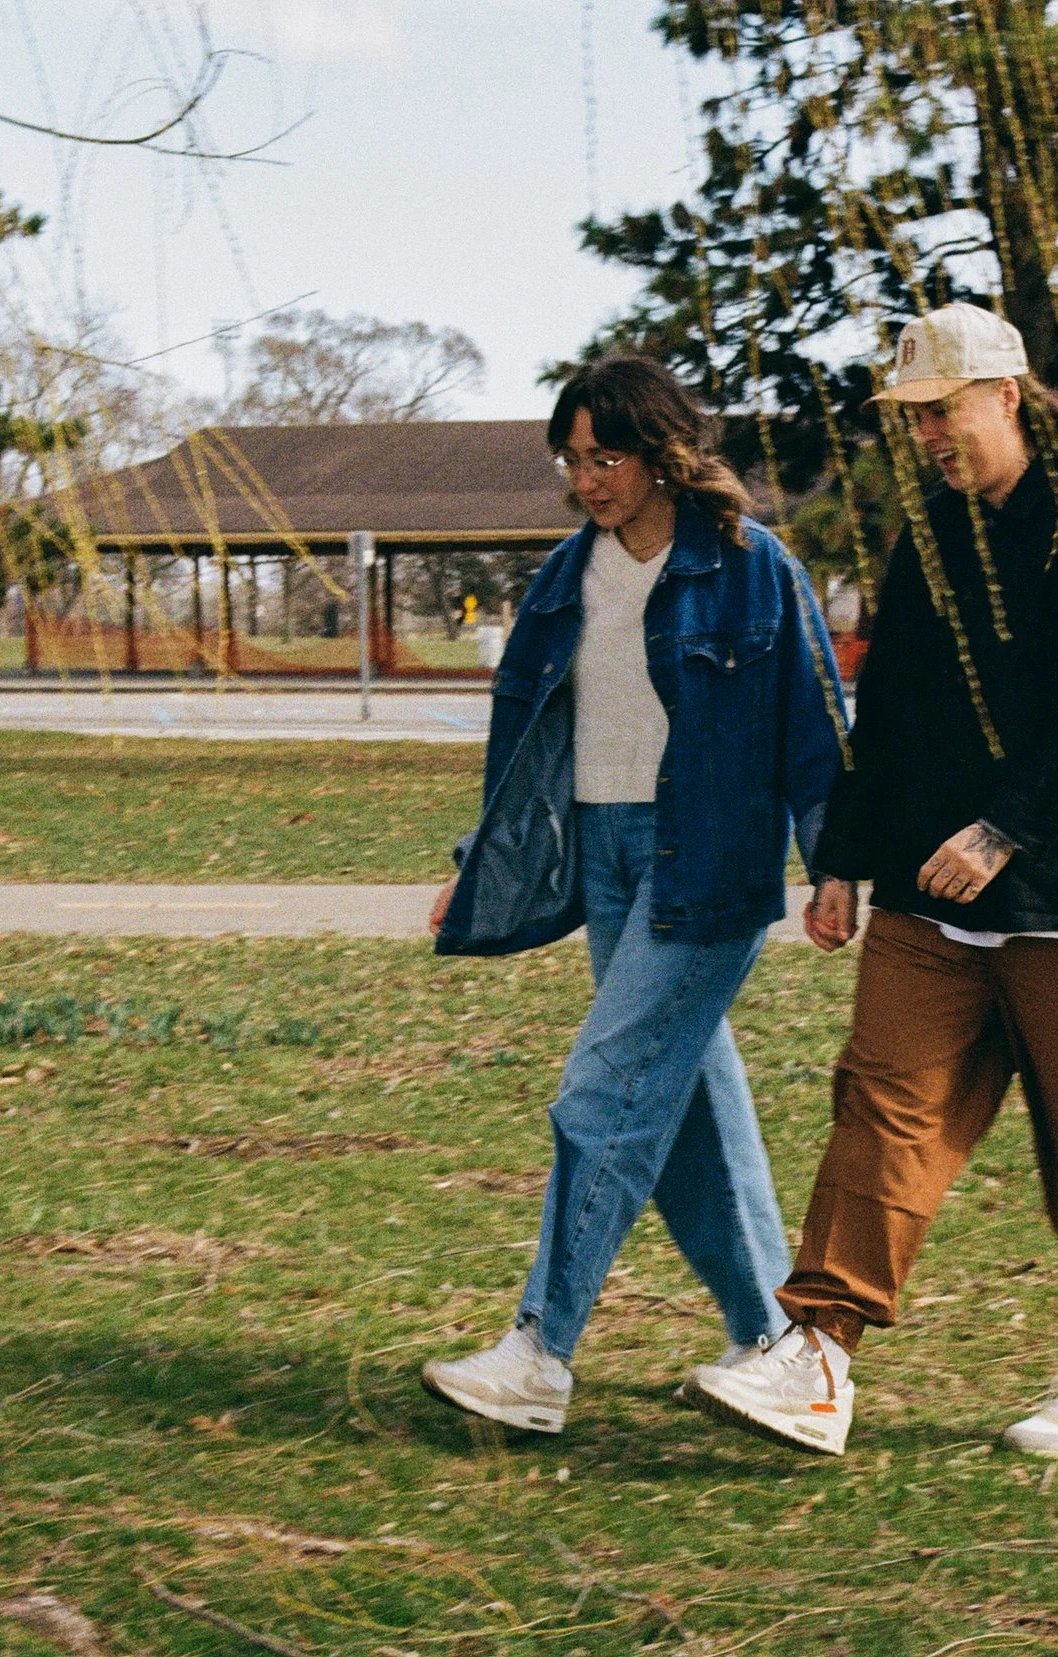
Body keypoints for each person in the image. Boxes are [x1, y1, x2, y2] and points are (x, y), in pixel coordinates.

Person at [680, 304, 1058, 1459]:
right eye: (909, 419)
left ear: (1005, 395)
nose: (925, 436)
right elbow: (893, 715)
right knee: (882, 1104)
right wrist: (844, 859)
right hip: (937, 898)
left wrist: (1007, 828)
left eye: (940, 410)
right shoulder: (935, 540)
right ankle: (816, 1357)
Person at [422, 355, 849, 1435]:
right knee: (690, 1113)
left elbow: (815, 725)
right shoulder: (567, 575)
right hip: (602, 858)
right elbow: (526, 736)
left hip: (702, 861)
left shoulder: (751, 568)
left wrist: (835, 860)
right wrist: (482, 856)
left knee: (603, 1094)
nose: (586, 480)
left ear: (661, 452)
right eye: (570, 460)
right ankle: (785, 1353)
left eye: (603, 456)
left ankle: (540, 1351)